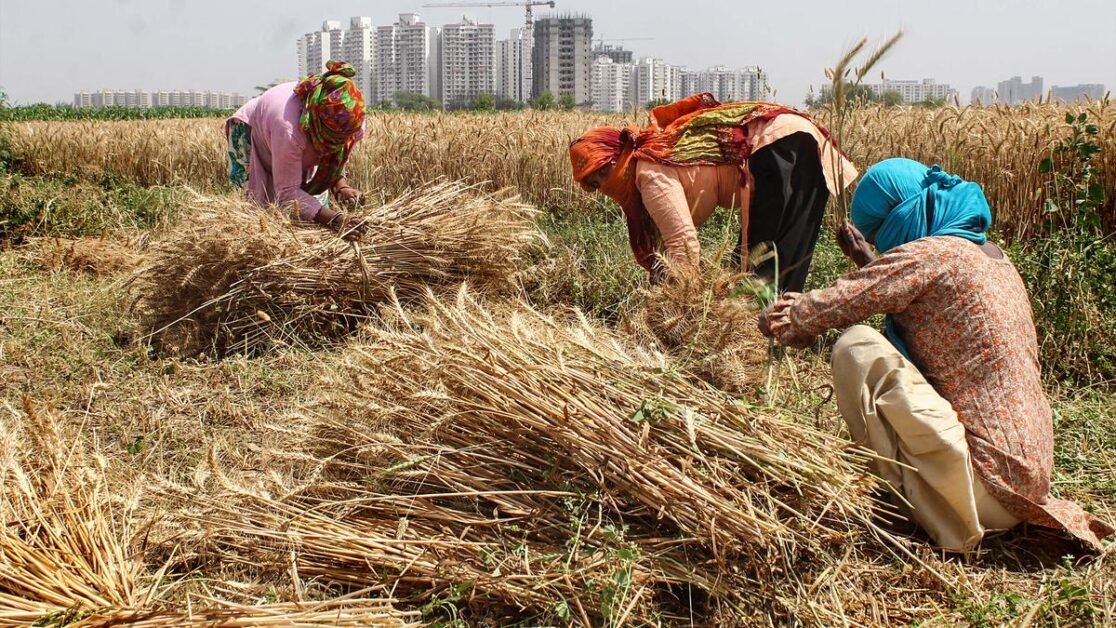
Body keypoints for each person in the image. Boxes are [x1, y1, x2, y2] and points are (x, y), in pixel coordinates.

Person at [757, 158, 1113, 552]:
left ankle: (909, 505)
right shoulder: (990, 256)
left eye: (880, 235)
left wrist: (783, 316)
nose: (884, 247)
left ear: (902, 217)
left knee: (857, 345)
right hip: (1022, 489)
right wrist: (869, 264)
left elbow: (831, 307)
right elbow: (918, 304)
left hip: (981, 487)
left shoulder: (931, 255)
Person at [569, 93, 858, 291]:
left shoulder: (649, 172)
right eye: (594, 184)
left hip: (783, 146)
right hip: (786, 144)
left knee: (768, 273)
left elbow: (683, 245)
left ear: (620, 154)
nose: (604, 185)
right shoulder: (647, 165)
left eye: (604, 170)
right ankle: (772, 342)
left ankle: (773, 345)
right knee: (753, 271)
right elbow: (671, 248)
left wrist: (680, 304)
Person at [226, 60, 366, 237]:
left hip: (292, 138)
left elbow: (336, 155)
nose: (337, 144)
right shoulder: (289, 129)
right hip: (252, 130)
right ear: (315, 123)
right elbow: (287, 192)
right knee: (257, 214)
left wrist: (341, 187)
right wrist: (335, 220)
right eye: (332, 138)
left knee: (310, 217)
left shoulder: (353, 117)